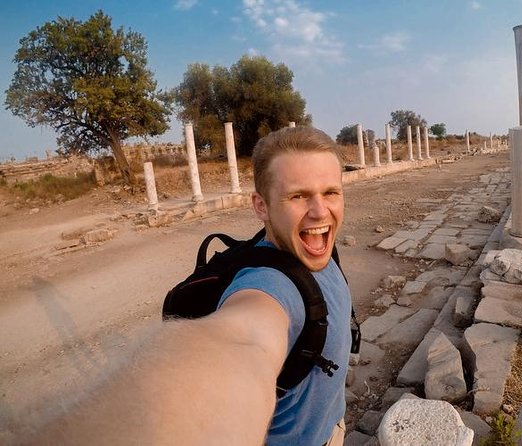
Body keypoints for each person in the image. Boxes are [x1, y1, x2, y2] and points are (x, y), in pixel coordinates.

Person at [21, 127, 351, 445]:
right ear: (261, 206)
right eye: (298, 196)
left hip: (332, 426)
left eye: (330, 192)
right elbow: (242, 342)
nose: (320, 211)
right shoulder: (268, 286)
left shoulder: (320, 246)